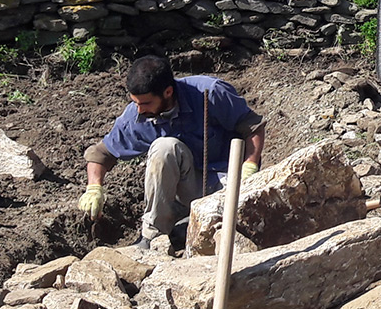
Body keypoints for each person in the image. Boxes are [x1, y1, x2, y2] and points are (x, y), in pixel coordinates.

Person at [78, 55, 265, 250]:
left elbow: (253, 127)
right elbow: (100, 155)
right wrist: (94, 188)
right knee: (164, 148)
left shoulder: (210, 93)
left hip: (227, 184)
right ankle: (154, 236)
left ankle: (191, 225)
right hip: (188, 190)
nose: (139, 110)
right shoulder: (137, 116)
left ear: (168, 92)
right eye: (135, 103)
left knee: (237, 225)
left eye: (146, 103)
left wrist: (249, 167)